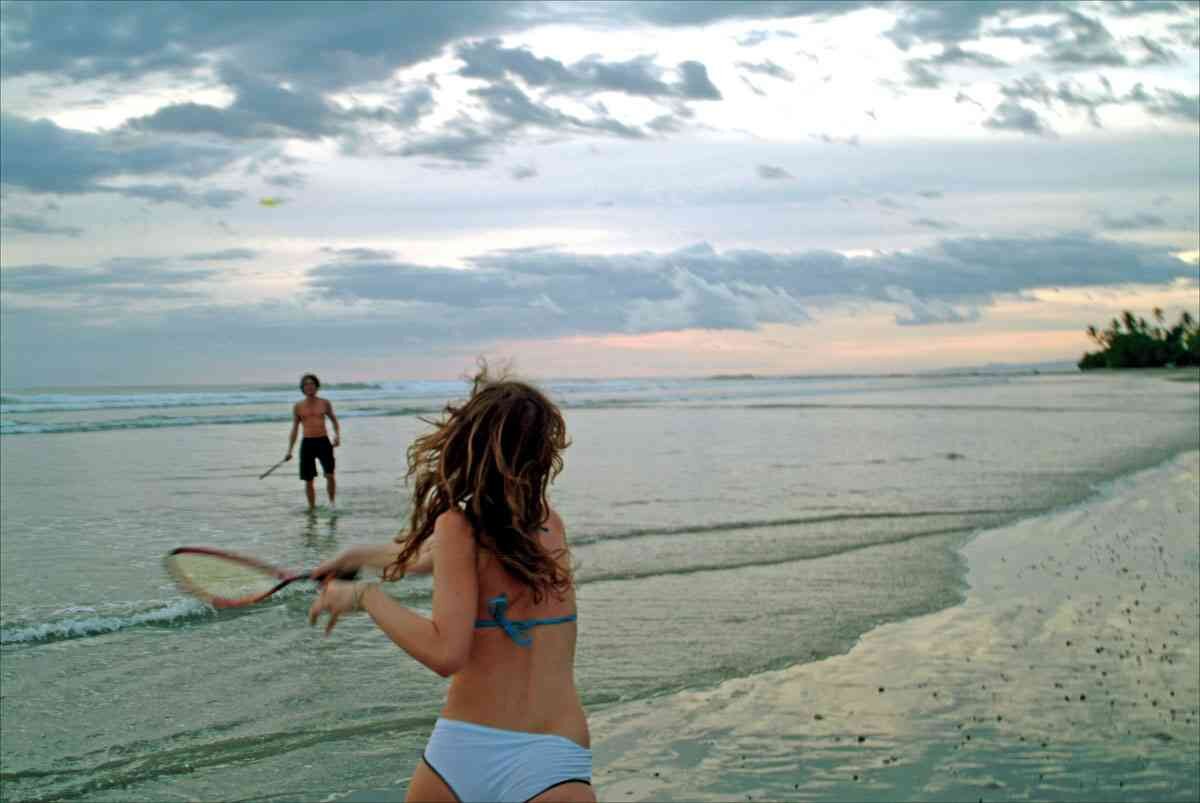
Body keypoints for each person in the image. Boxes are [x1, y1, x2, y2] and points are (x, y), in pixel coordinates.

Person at [308, 367, 593, 802]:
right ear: (542, 452)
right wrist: (356, 557)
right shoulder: (548, 524)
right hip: (554, 757)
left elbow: (446, 654)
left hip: (463, 752)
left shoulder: (459, 528)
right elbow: (438, 560)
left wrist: (364, 595)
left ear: (467, 444)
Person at [286, 373, 340, 510]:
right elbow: (295, 428)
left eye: (312, 384)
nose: (309, 387)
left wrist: (337, 436)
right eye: (306, 384)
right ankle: (311, 508)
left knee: (329, 474)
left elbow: (334, 420)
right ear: (302, 388)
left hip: (323, 442)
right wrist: (289, 450)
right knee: (308, 479)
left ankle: (332, 504)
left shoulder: (324, 403)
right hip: (307, 444)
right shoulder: (298, 406)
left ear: (316, 386)